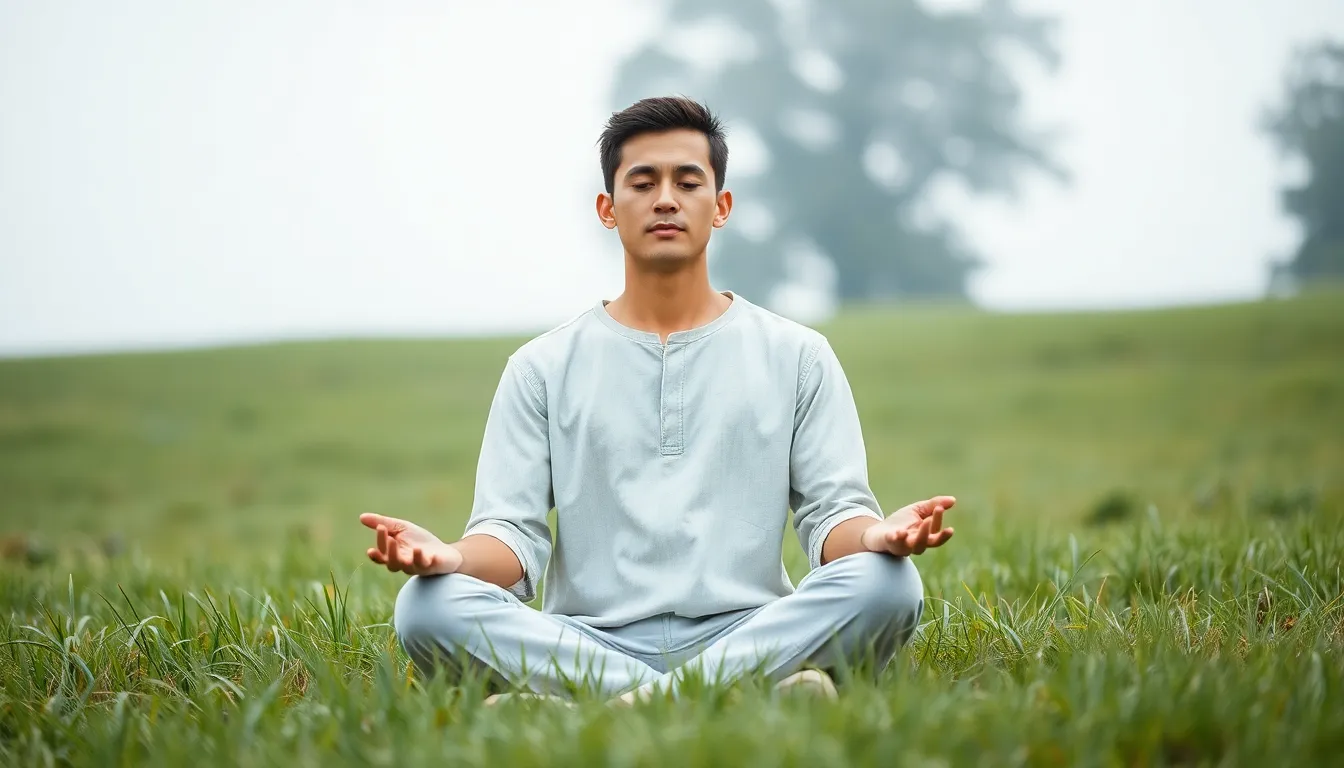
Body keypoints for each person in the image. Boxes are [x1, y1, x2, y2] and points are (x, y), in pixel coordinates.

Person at [360, 96, 956, 704]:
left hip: (751, 631)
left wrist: (877, 538)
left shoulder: (797, 355)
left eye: (687, 182)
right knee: (427, 605)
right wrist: (450, 557)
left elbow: (833, 516)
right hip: (586, 641)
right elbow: (510, 535)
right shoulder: (541, 367)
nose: (666, 199)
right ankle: (741, 698)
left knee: (888, 585)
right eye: (643, 183)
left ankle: (590, 708)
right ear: (608, 208)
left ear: (721, 206)